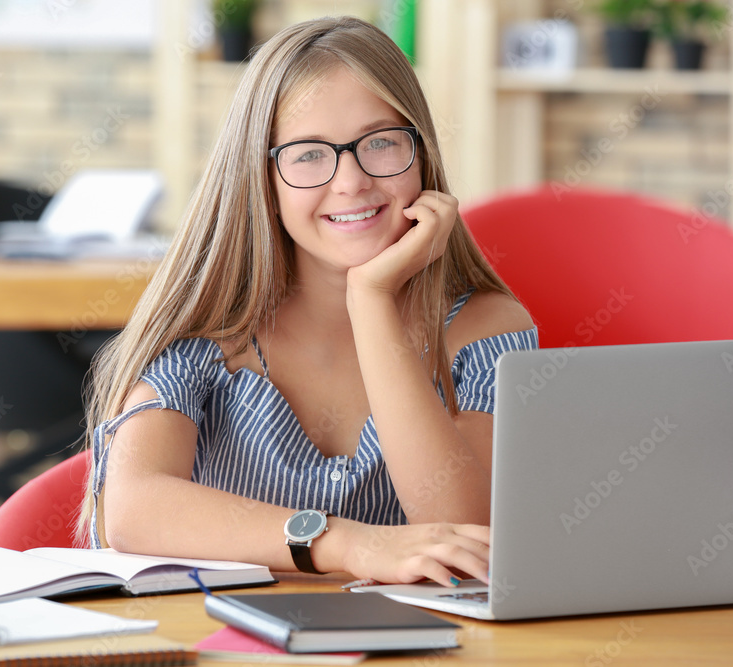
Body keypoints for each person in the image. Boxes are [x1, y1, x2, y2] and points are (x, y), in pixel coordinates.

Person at [77, 16, 537, 588]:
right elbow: (134, 510)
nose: (351, 181)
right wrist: (346, 543)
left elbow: (464, 533)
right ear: (259, 176)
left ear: (421, 151)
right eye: (308, 154)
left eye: (381, 142)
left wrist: (370, 298)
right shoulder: (209, 329)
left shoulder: (482, 326)